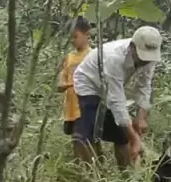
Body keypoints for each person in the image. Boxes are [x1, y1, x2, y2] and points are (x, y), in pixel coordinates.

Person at [72, 26, 162, 168]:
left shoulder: (150, 57)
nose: (144, 62)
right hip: (88, 82)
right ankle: (91, 174)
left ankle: (126, 173)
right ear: (132, 47)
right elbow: (116, 101)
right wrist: (135, 139)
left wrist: (141, 116)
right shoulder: (114, 57)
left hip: (109, 86)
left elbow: (144, 86)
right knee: (88, 130)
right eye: (141, 56)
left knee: (121, 135)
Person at [58, 17, 91, 138]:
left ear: (86, 34)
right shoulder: (69, 57)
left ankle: (94, 157)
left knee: (82, 139)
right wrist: (62, 82)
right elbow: (64, 73)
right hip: (70, 108)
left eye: (75, 36)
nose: (72, 40)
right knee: (76, 139)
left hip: (84, 107)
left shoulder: (91, 55)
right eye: (70, 37)